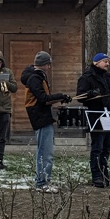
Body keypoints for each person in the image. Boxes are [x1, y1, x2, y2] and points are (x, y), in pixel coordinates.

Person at [20, 51, 71, 192]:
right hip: (40, 118)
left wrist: (60, 98)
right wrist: (60, 96)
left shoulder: (36, 76)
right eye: (49, 64)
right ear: (46, 64)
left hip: (42, 117)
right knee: (45, 152)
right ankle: (42, 183)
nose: (50, 67)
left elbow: (44, 99)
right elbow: (43, 99)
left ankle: (42, 180)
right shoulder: (34, 78)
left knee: (44, 151)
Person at [77, 52, 110, 188]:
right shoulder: (87, 77)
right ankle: (96, 176)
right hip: (96, 117)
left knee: (106, 148)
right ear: (96, 62)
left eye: (108, 61)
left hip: (109, 116)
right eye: (105, 61)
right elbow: (80, 96)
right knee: (97, 148)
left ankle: (105, 174)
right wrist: (90, 94)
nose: (107, 64)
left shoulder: (107, 77)